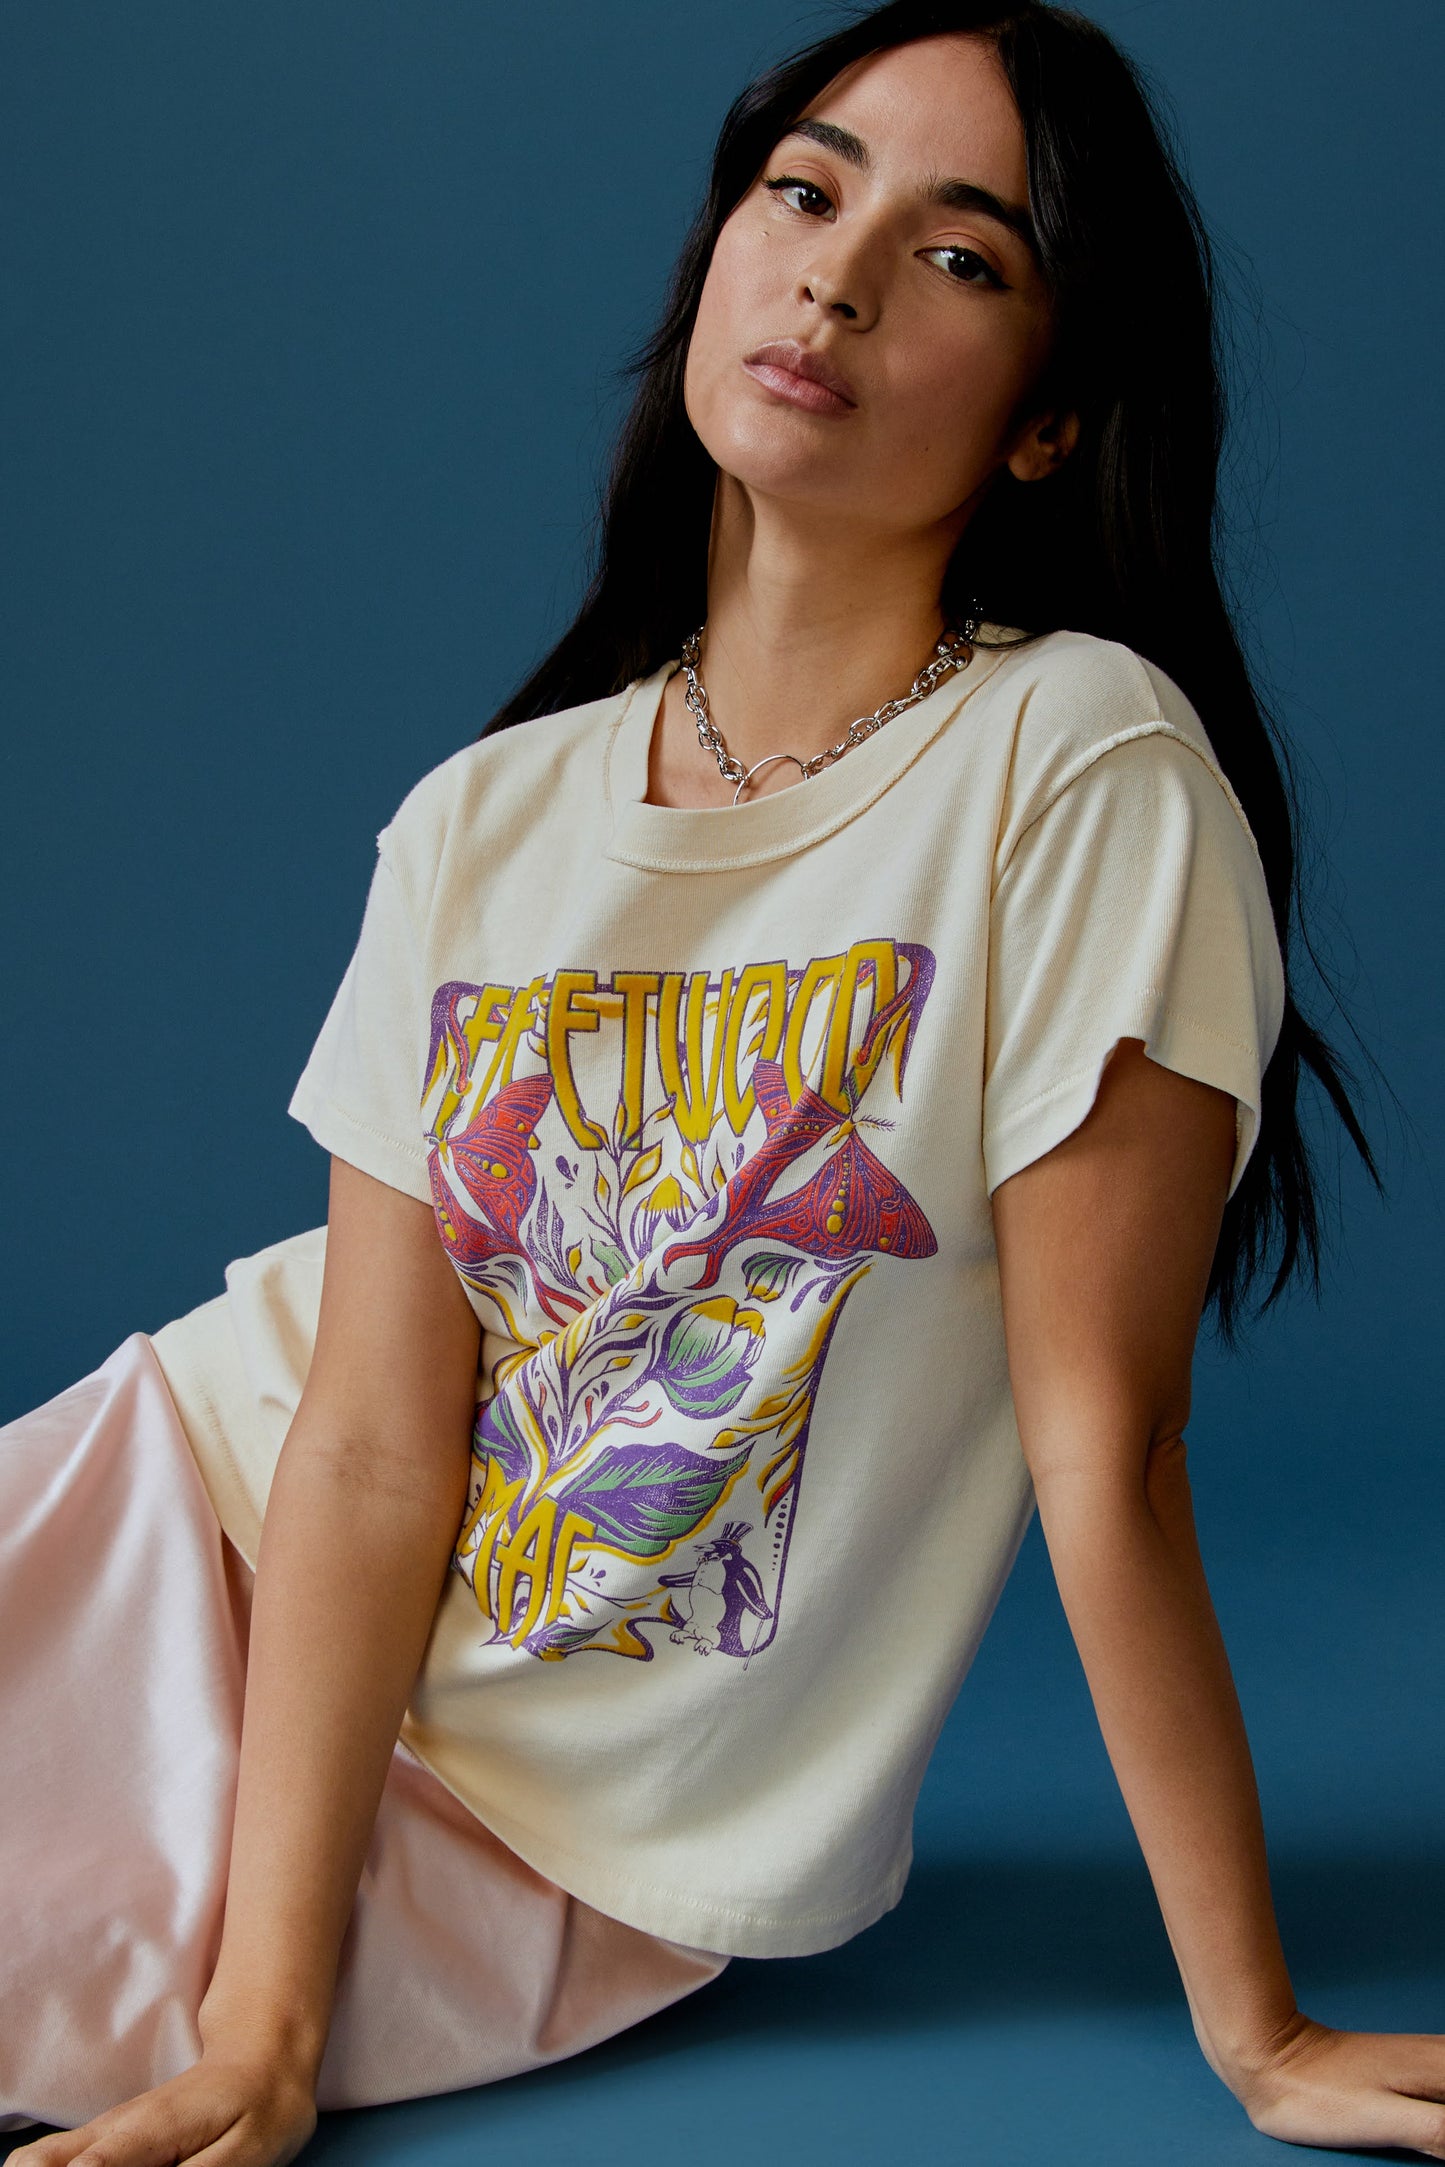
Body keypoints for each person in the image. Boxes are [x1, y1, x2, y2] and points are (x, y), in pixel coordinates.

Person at [3, 2, 1440, 2161]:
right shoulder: (486, 817)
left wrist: (1262, 2033)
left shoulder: (1080, 767)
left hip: (568, 1840)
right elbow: (378, 1446)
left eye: (964, 254)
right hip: (187, 1529)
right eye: (805, 187)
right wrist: (261, 2025)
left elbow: (1101, 1446)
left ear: (1051, 420)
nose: (840, 275)